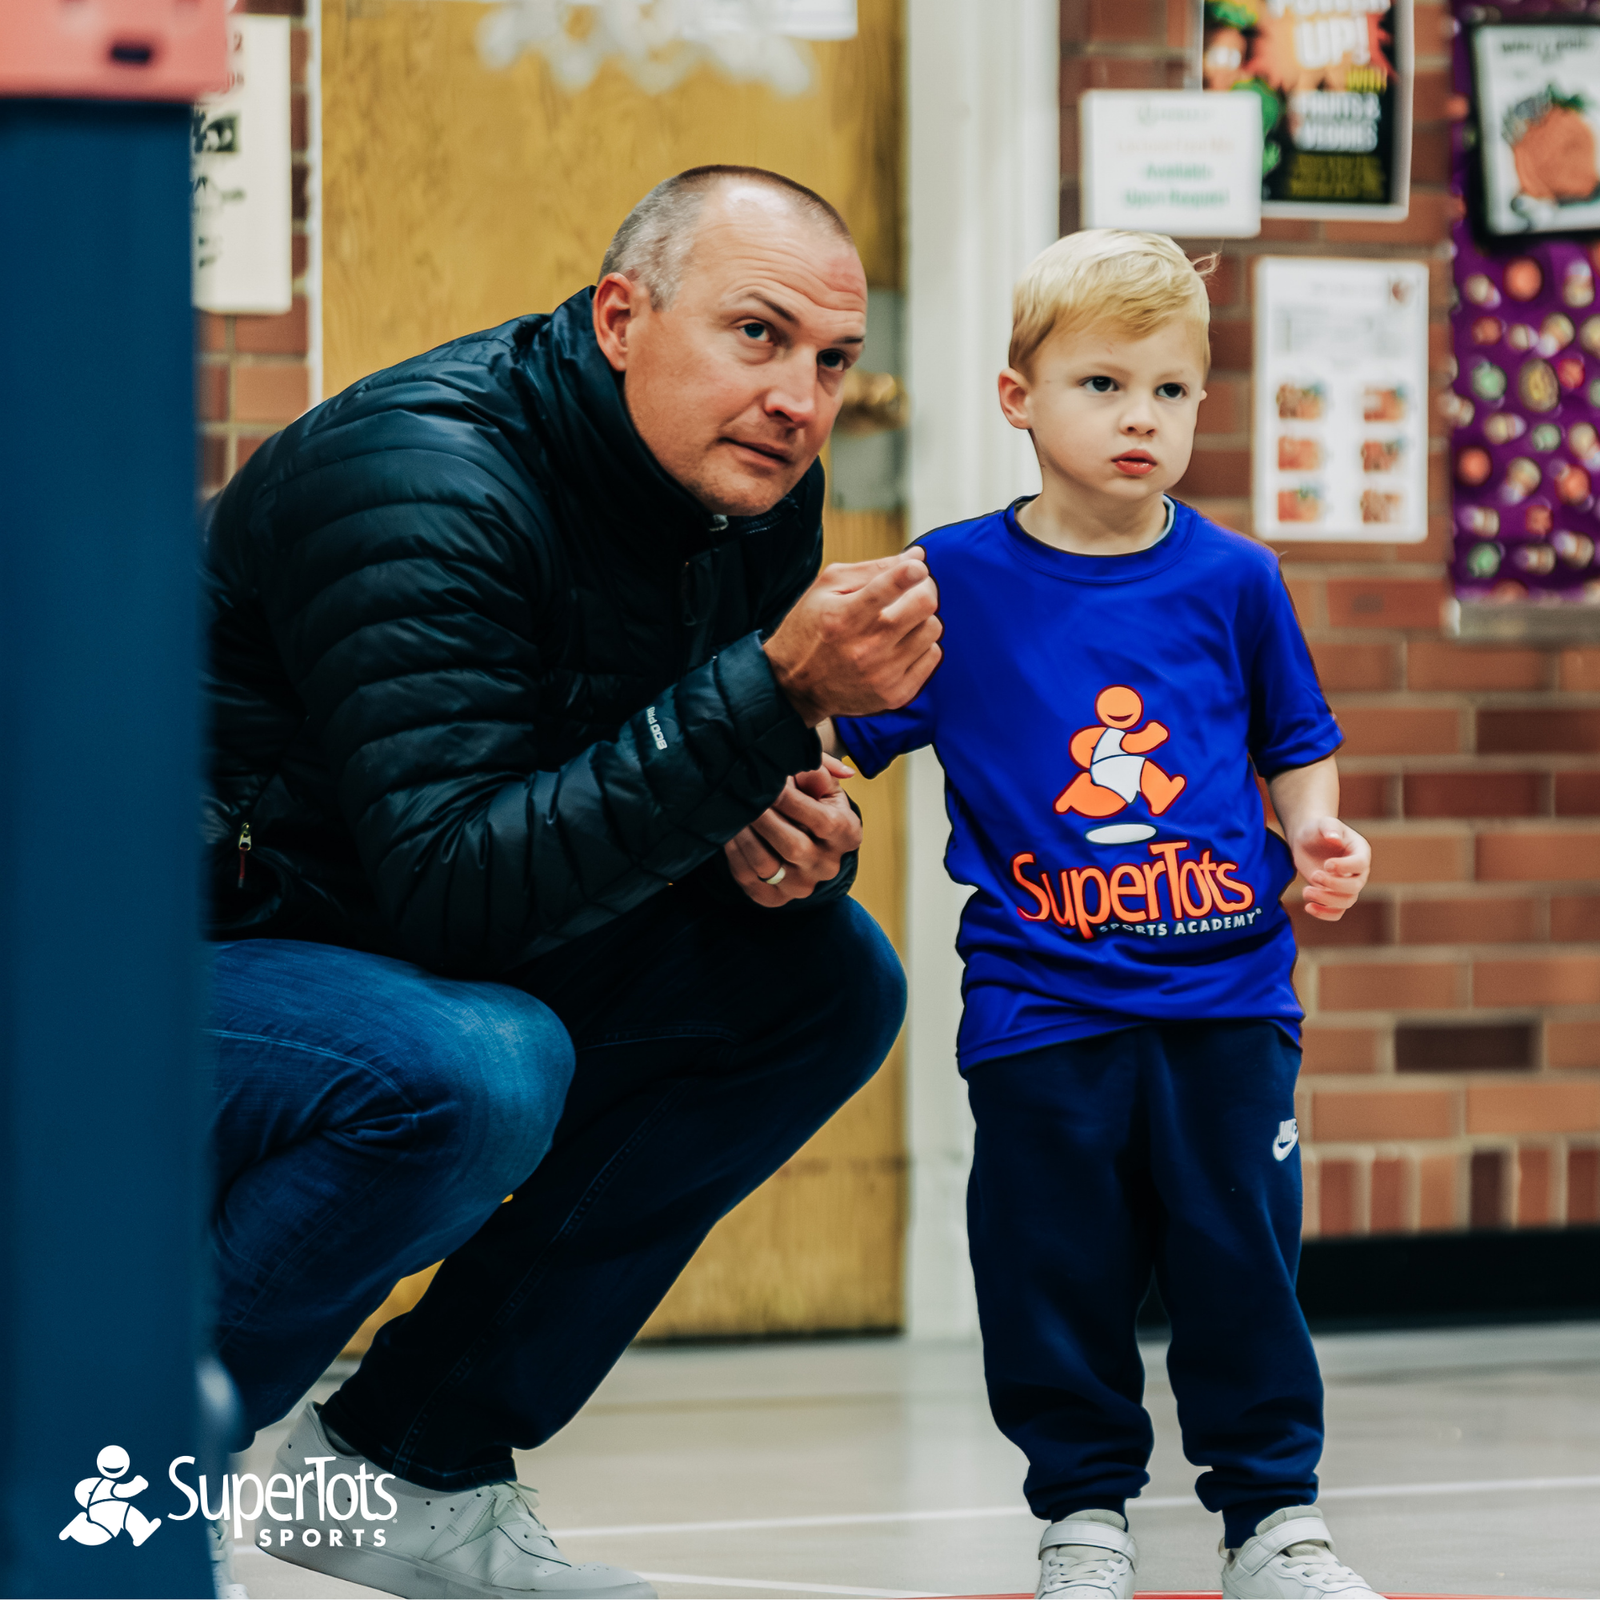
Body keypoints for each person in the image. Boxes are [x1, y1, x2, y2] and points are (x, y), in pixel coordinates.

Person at [200, 165, 941, 1599]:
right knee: (474, 1065)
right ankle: (107, 1478)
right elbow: (453, 890)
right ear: (620, 316)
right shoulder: (424, 477)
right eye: (756, 335)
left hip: (363, 927)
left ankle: (407, 1469)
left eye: (832, 360)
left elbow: (640, 768)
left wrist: (773, 825)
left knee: (816, 984)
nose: (800, 397)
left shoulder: (745, 489)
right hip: (165, 952)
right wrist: (759, 706)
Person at [828, 230, 1380, 1600]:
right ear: (1019, 399)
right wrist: (800, 791)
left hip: (1228, 997)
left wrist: (1316, 831)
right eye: (1102, 385)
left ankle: (1274, 1522)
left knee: (1240, 1256)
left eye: (1173, 392)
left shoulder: (1236, 580)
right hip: (1041, 1001)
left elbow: (1294, 736)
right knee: (1049, 1264)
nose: (1141, 418)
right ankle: (1082, 1514)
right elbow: (841, 729)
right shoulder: (948, 581)